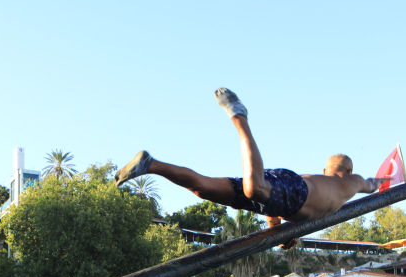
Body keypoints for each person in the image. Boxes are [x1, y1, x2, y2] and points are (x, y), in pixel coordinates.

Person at [115, 88, 388, 247]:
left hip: (278, 200)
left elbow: (276, 206)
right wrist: (386, 180)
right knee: (254, 187)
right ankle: (239, 117)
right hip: (291, 191)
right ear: (348, 171)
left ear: (326, 170)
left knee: (204, 188)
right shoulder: (350, 183)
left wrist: (282, 233)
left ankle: (151, 164)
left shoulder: (328, 181)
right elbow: (373, 185)